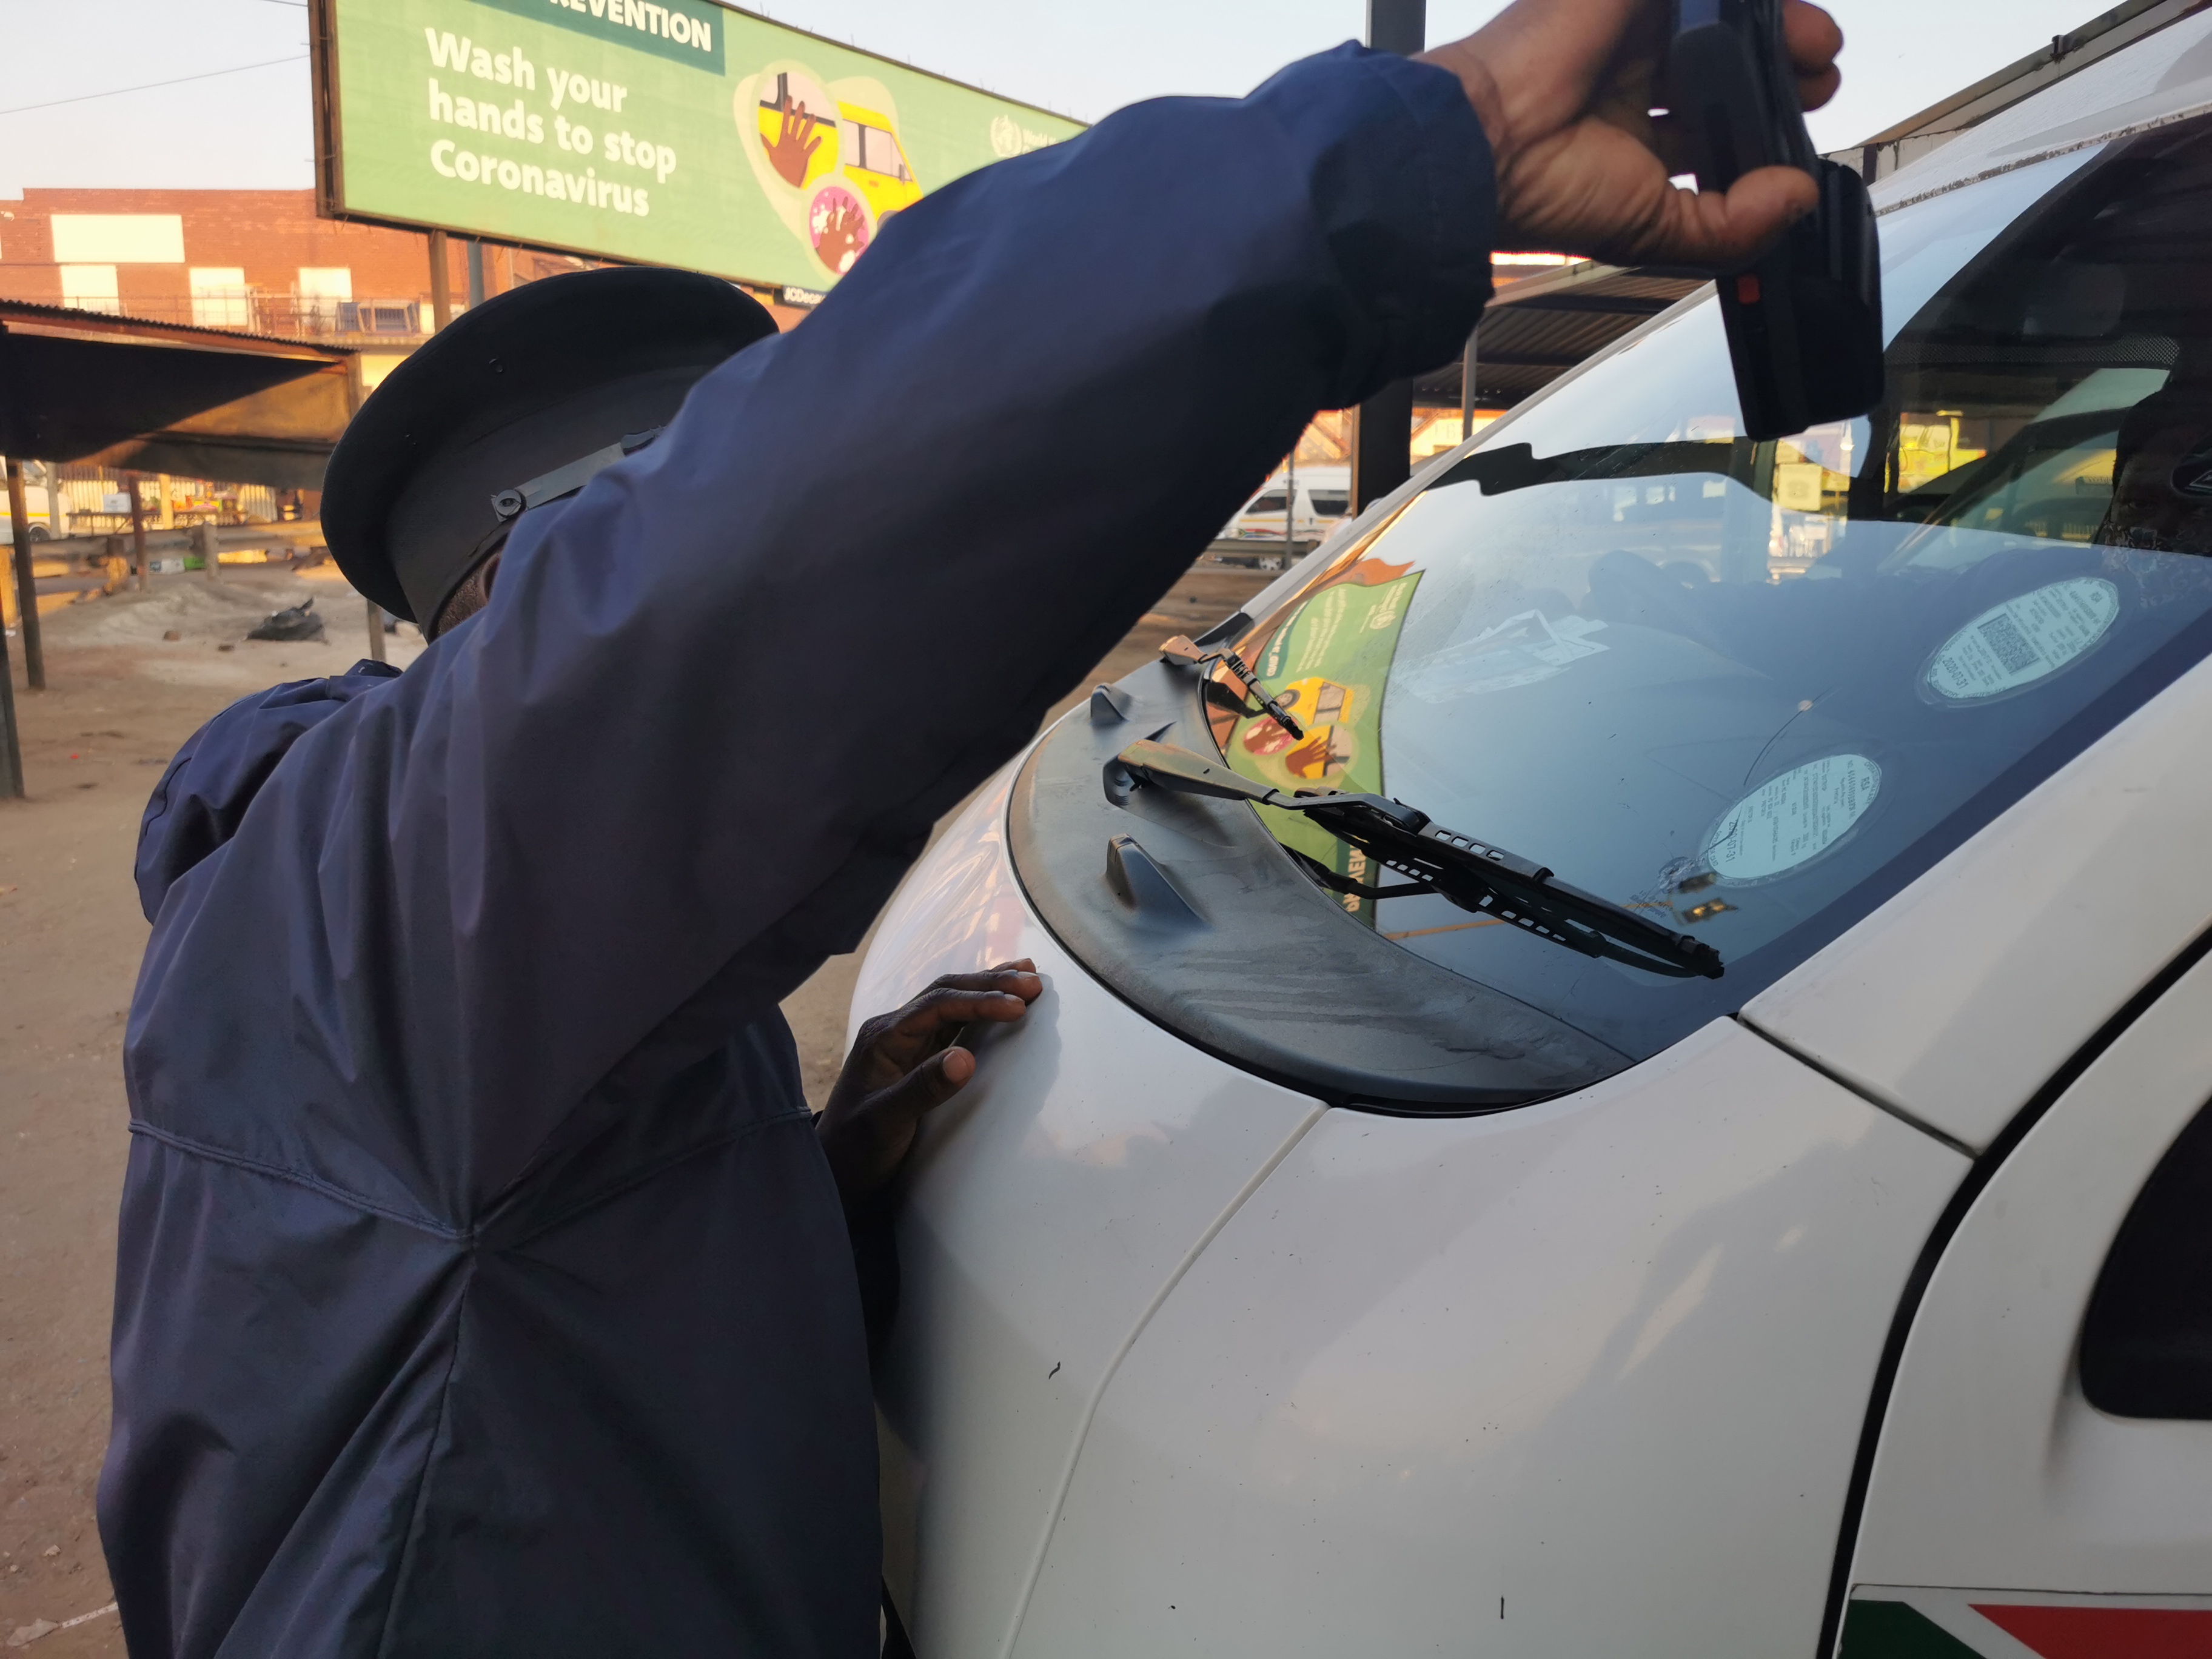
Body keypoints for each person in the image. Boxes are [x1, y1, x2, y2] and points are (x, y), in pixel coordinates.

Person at [100, 0, 1843, 1652]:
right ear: (530, 621)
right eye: (623, 532)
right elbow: (774, 557)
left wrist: (787, 1194)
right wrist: (1430, 146)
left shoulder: (470, 950)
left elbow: (503, 1357)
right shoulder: (384, 916)